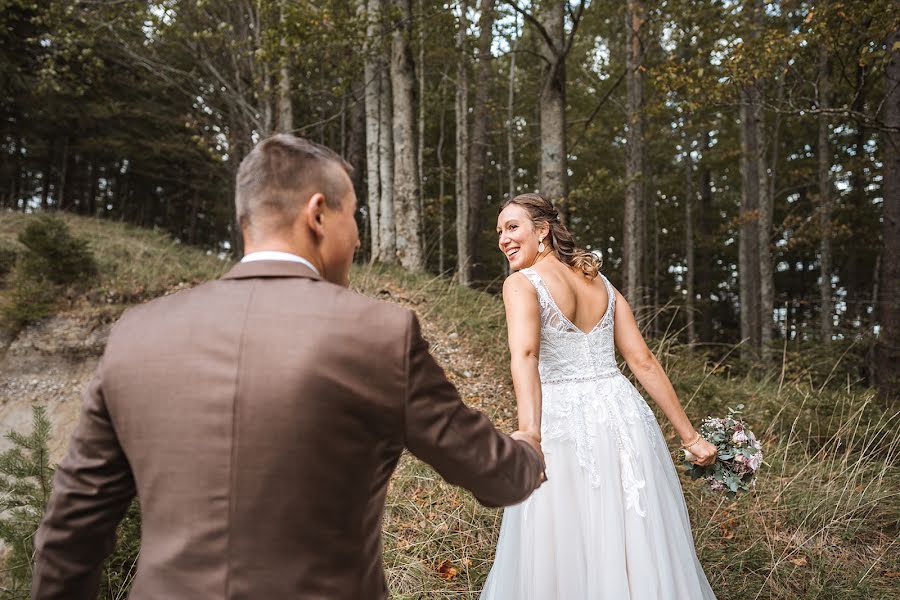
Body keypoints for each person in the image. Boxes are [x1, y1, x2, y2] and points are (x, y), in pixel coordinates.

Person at [31, 134, 545, 600]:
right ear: (317, 214)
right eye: (354, 217)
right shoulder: (378, 334)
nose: (359, 240)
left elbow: (74, 526)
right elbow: (495, 476)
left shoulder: (136, 334)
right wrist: (528, 452)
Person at [481, 193, 717, 599]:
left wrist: (530, 436)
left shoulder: (520, 284)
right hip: (623, 418)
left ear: (542, 231)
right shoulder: (600, 283)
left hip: (565, 426)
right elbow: (641, 362)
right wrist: (691, 438)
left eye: (512, 227)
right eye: (500, 231)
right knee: (632, 533)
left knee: (564, 538)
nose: (503, 238)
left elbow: (525, 355)